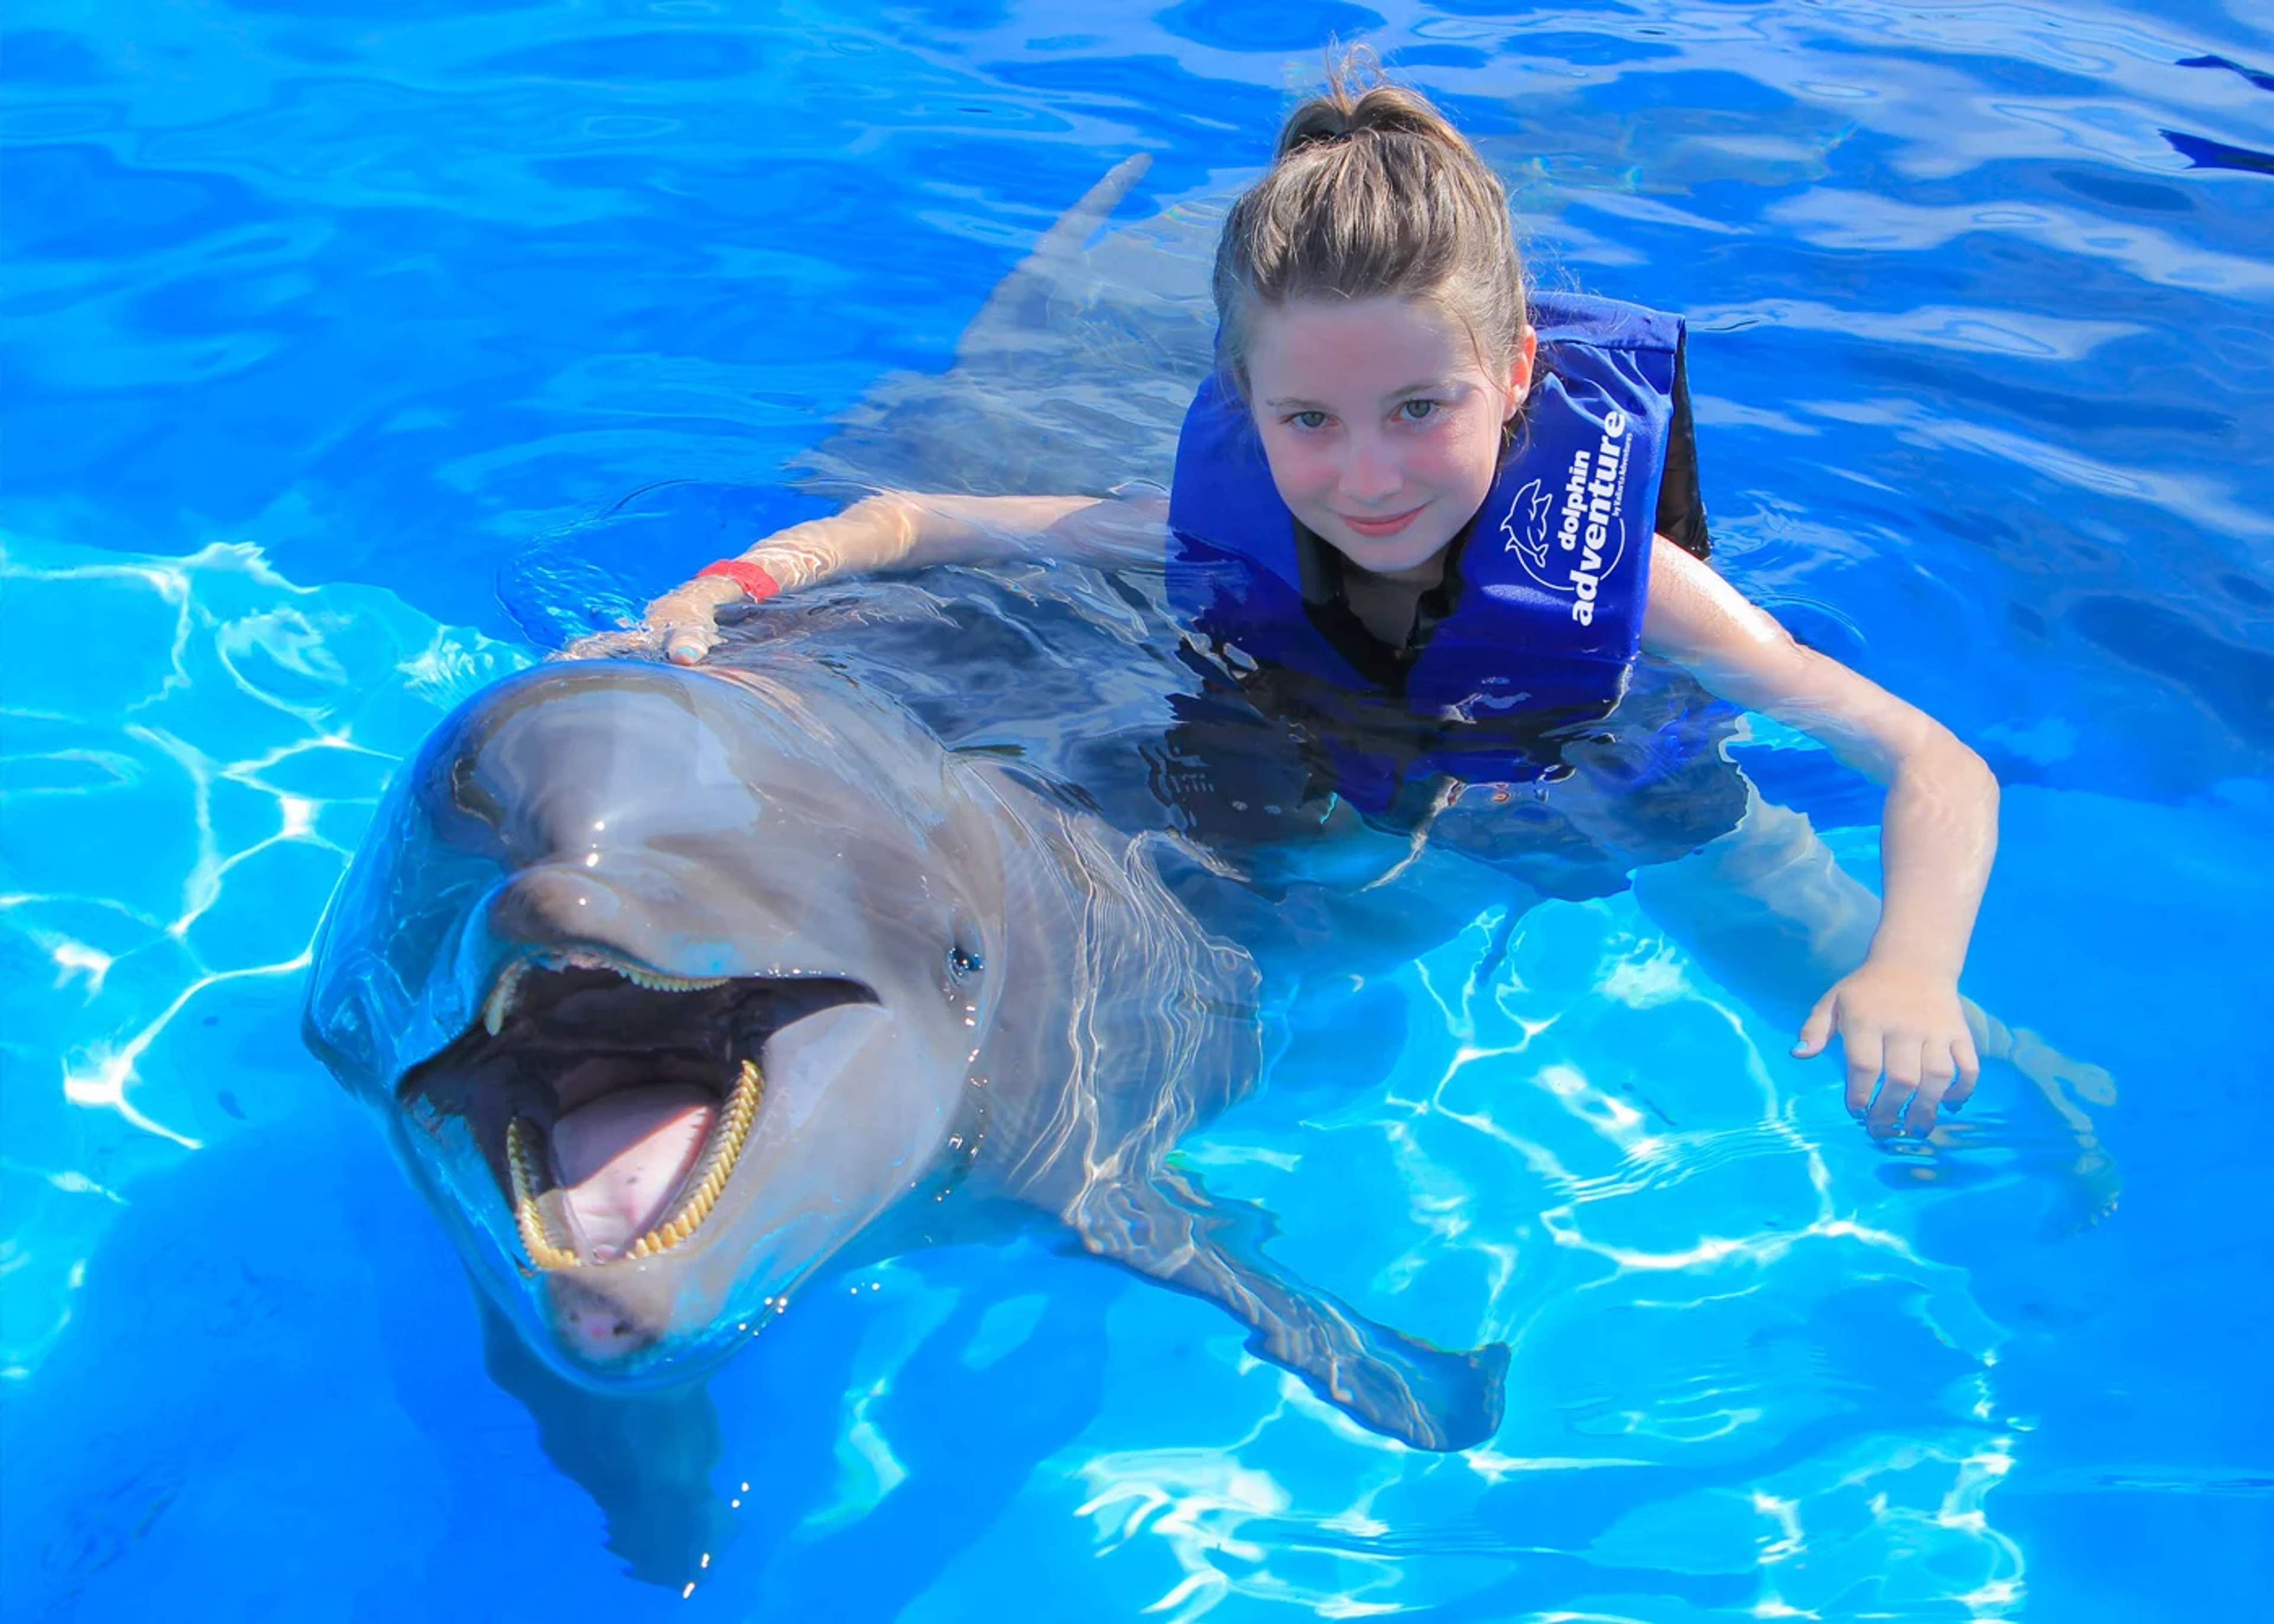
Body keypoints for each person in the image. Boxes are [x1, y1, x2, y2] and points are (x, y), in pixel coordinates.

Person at [600, 69, 2040, 1143]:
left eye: (1423, 408)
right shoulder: (1214, 531)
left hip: (1612, 784)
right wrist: (736, 587)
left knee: (1918, 1058)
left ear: (1520, 374)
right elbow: (922, 522)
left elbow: (1934, 763)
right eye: (1310, 420)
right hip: (1344, 802)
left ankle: (2052, 1123)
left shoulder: (1644, 589)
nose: (1366, 477)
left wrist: (1914, 968)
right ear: (1248, 405)